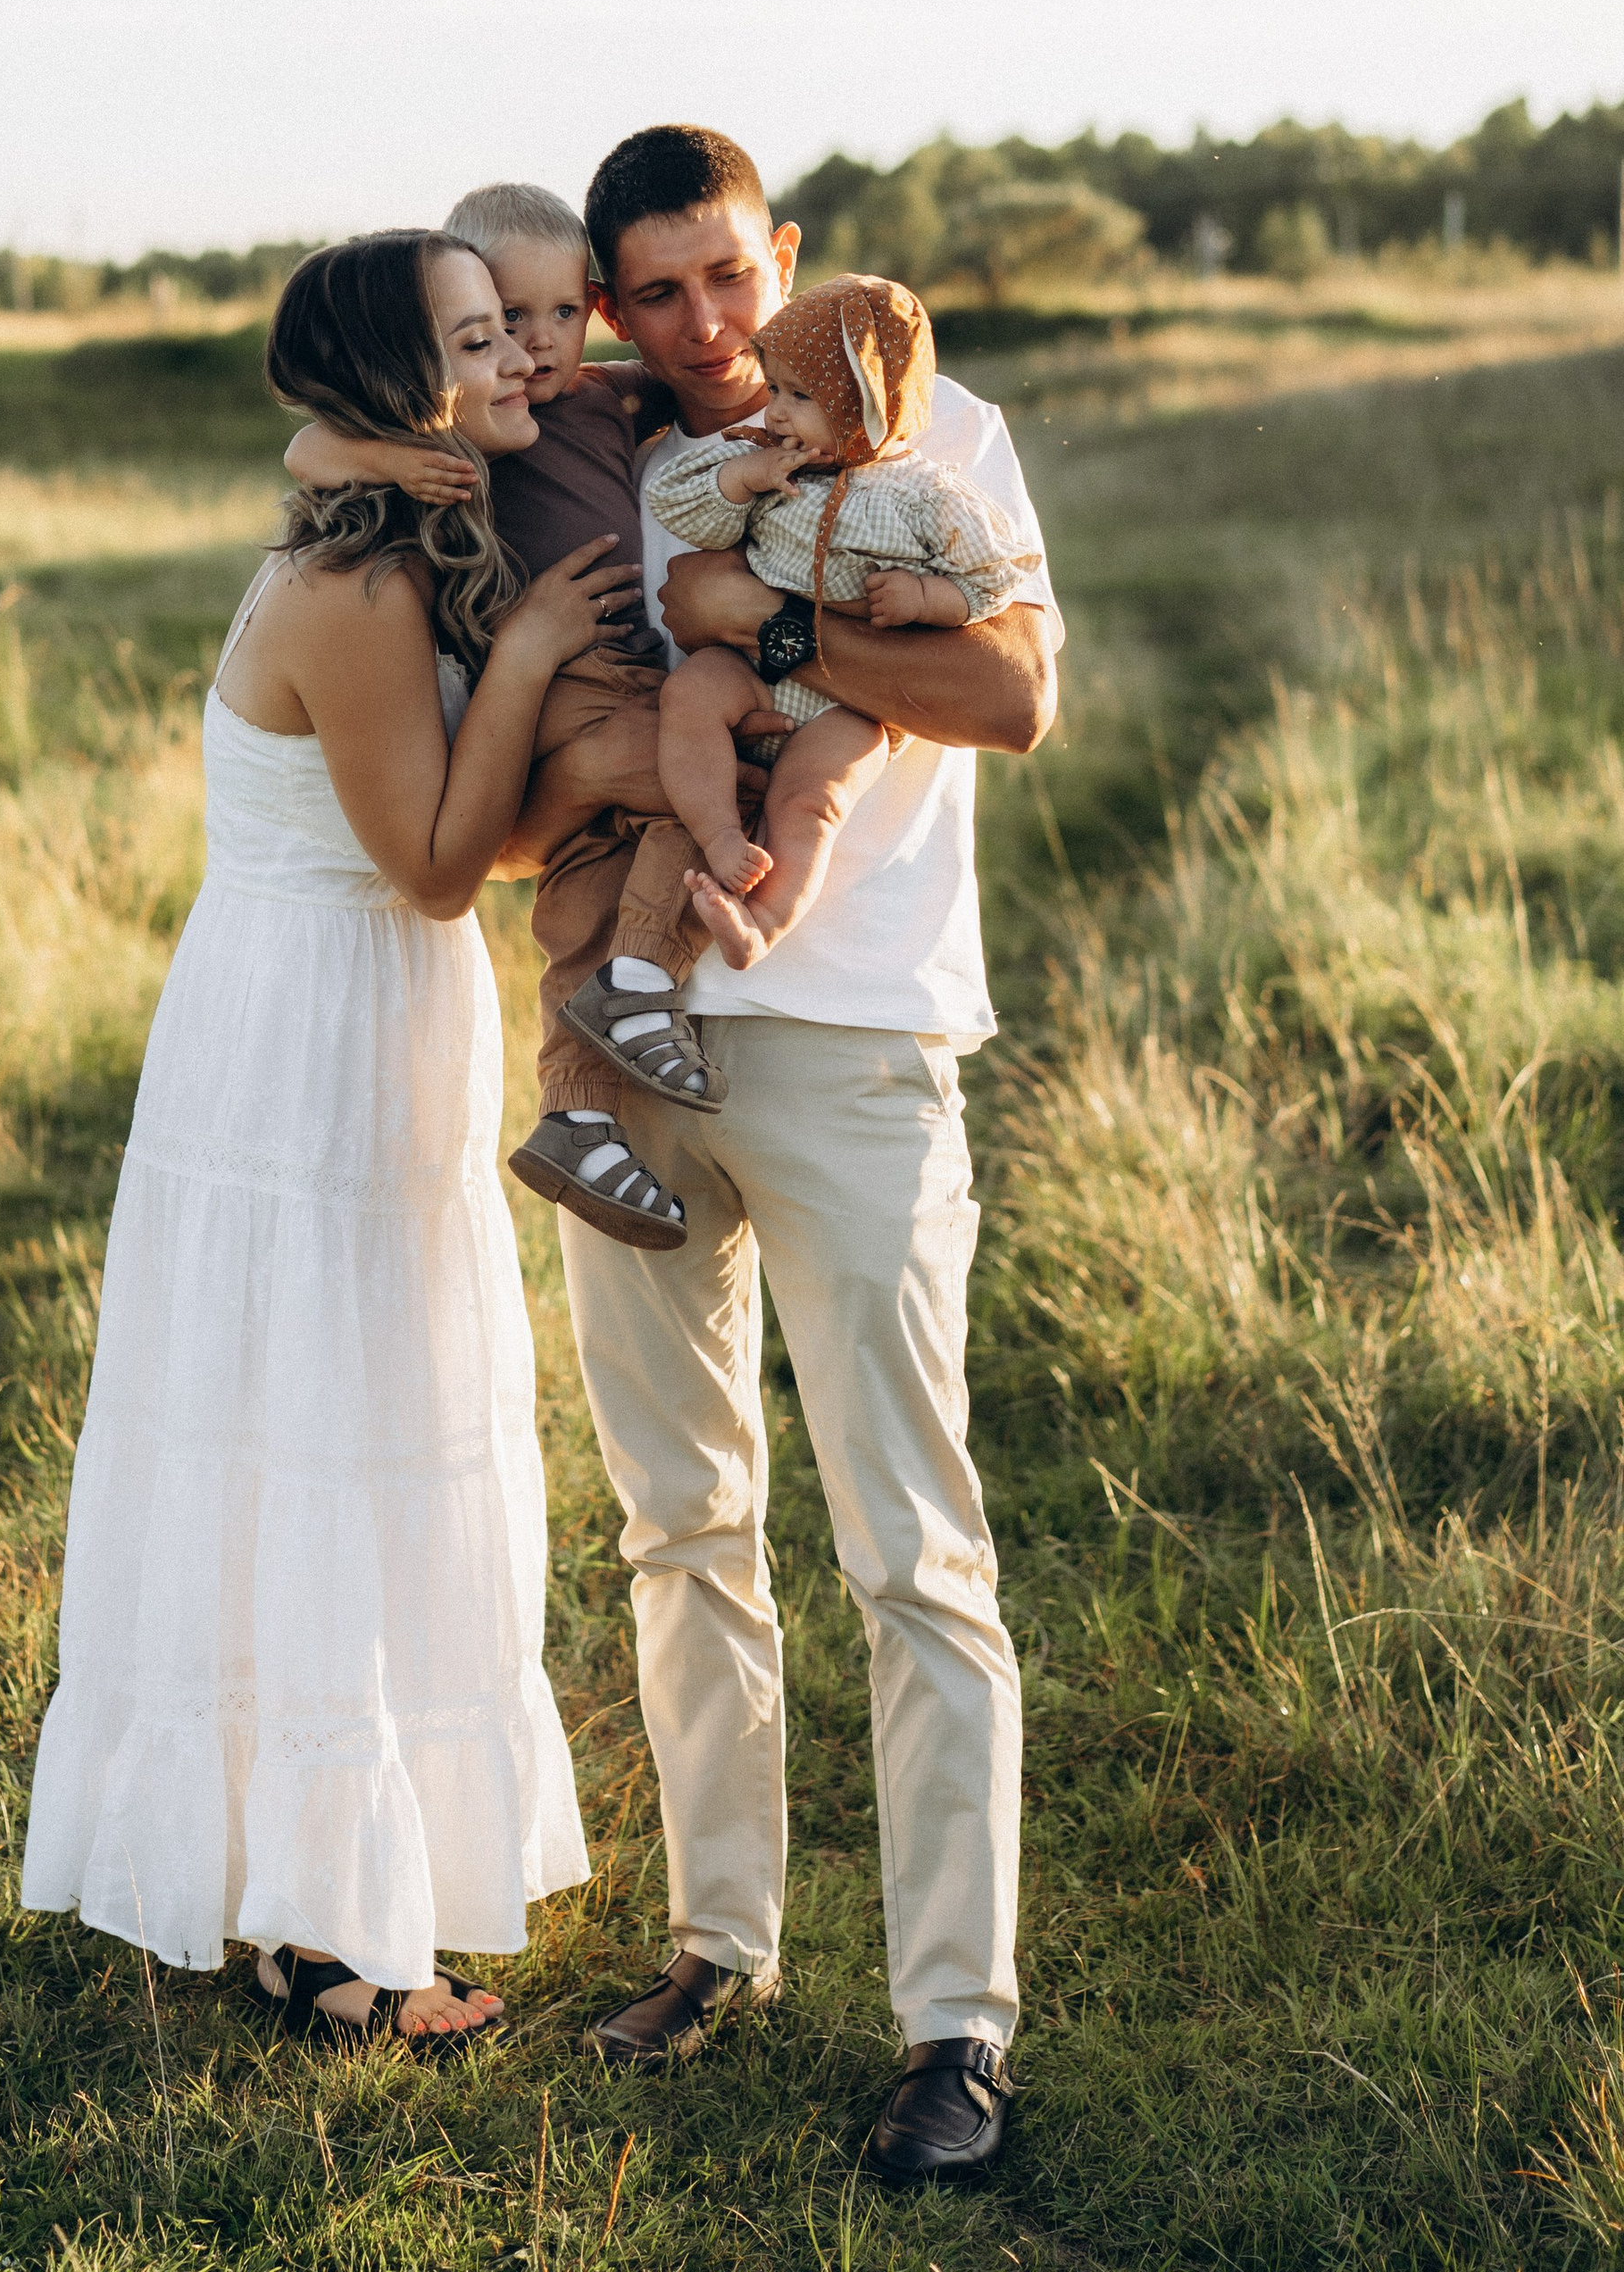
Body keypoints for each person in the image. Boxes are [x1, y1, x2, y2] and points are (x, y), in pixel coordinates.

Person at [521, 124, 1059, 2190]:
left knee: (908, 1548)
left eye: (725, 277)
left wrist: (753, 635)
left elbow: (1004, 689)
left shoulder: (952, 432)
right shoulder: (611, 454)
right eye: (650, 293)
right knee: (679, 1525)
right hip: (640, 1048)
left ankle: (951, 2027)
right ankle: (714, 1940)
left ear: (786, 256)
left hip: (853, 1046)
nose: (700, 325)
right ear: (605, 304)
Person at [21, 229, 625, 2050]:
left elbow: (462, 831)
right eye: (474, 337)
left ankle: (311, 1910)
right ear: (397, 382)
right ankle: (337, 1942)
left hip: (367, 1016)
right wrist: (524, 652)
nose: (521, 352)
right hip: (308, 1038)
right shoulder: (357, 591)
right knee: (327, 1451)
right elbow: (436, 864)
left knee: (343, 1442)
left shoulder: (376, 531)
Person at [282, 182, 707, 1253]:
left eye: (560, 315)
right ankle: (644, 984)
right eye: (495, 328)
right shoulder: (457, 460)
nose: (531, 349)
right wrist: (379, 455)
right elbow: (311, 448)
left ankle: (577, 1113)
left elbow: (716, 377)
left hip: (605, 682)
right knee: (726, 776)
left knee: (592, 891)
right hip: (580, 685)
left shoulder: (594, 402)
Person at [647, 272, 1038, 970]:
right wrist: (745, 479)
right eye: (774, 391)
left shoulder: (926, 493)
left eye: (803, 397)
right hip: (751, 670)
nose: (777, 414)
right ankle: (720, 839)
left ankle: (762, 923)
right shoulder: (766, 463)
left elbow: (994, 575)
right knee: (691, 697)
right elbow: (675, 501)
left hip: (850, 705)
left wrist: (926, 600)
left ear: (870, 402)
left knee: (813, 802)